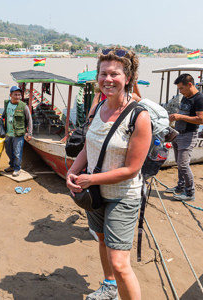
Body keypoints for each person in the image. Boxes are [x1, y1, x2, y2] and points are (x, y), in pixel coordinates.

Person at [66, 48, 151, 300]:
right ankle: (109, 287)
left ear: (128, 77)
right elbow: (90, 146)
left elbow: (131, 169)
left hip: (123, 196)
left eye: (115, 73)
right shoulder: (98, 107)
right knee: (102, 240)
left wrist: (90, 178)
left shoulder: (139, 116)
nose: (108, 79)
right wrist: (72, 171)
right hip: (95, 195)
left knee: (121, 263)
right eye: (103, 73)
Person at [166, 74, 203, 201]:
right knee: (179, 163)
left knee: (183, 164)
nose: (180, 91)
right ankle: (180, 186)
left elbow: (201, 120)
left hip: (188, 135)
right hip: (178, 133)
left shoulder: (200, 99)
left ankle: (190, 193)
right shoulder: (185, 97)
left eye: (181, 88)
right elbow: (183, 113)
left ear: (190, 85)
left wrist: (180, 117)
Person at [2, 86, 33, 177]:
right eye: (15, 94)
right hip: (8, 133)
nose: (17, 96)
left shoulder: (24, 106)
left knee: (17, 152)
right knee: (8, 150)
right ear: (10, 95)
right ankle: (11, 165)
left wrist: (30, 133)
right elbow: (4, 114)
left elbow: (29, 120)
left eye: (19, 95)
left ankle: (17, 168)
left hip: (18, 134)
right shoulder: (7, 104)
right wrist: (0, 118)